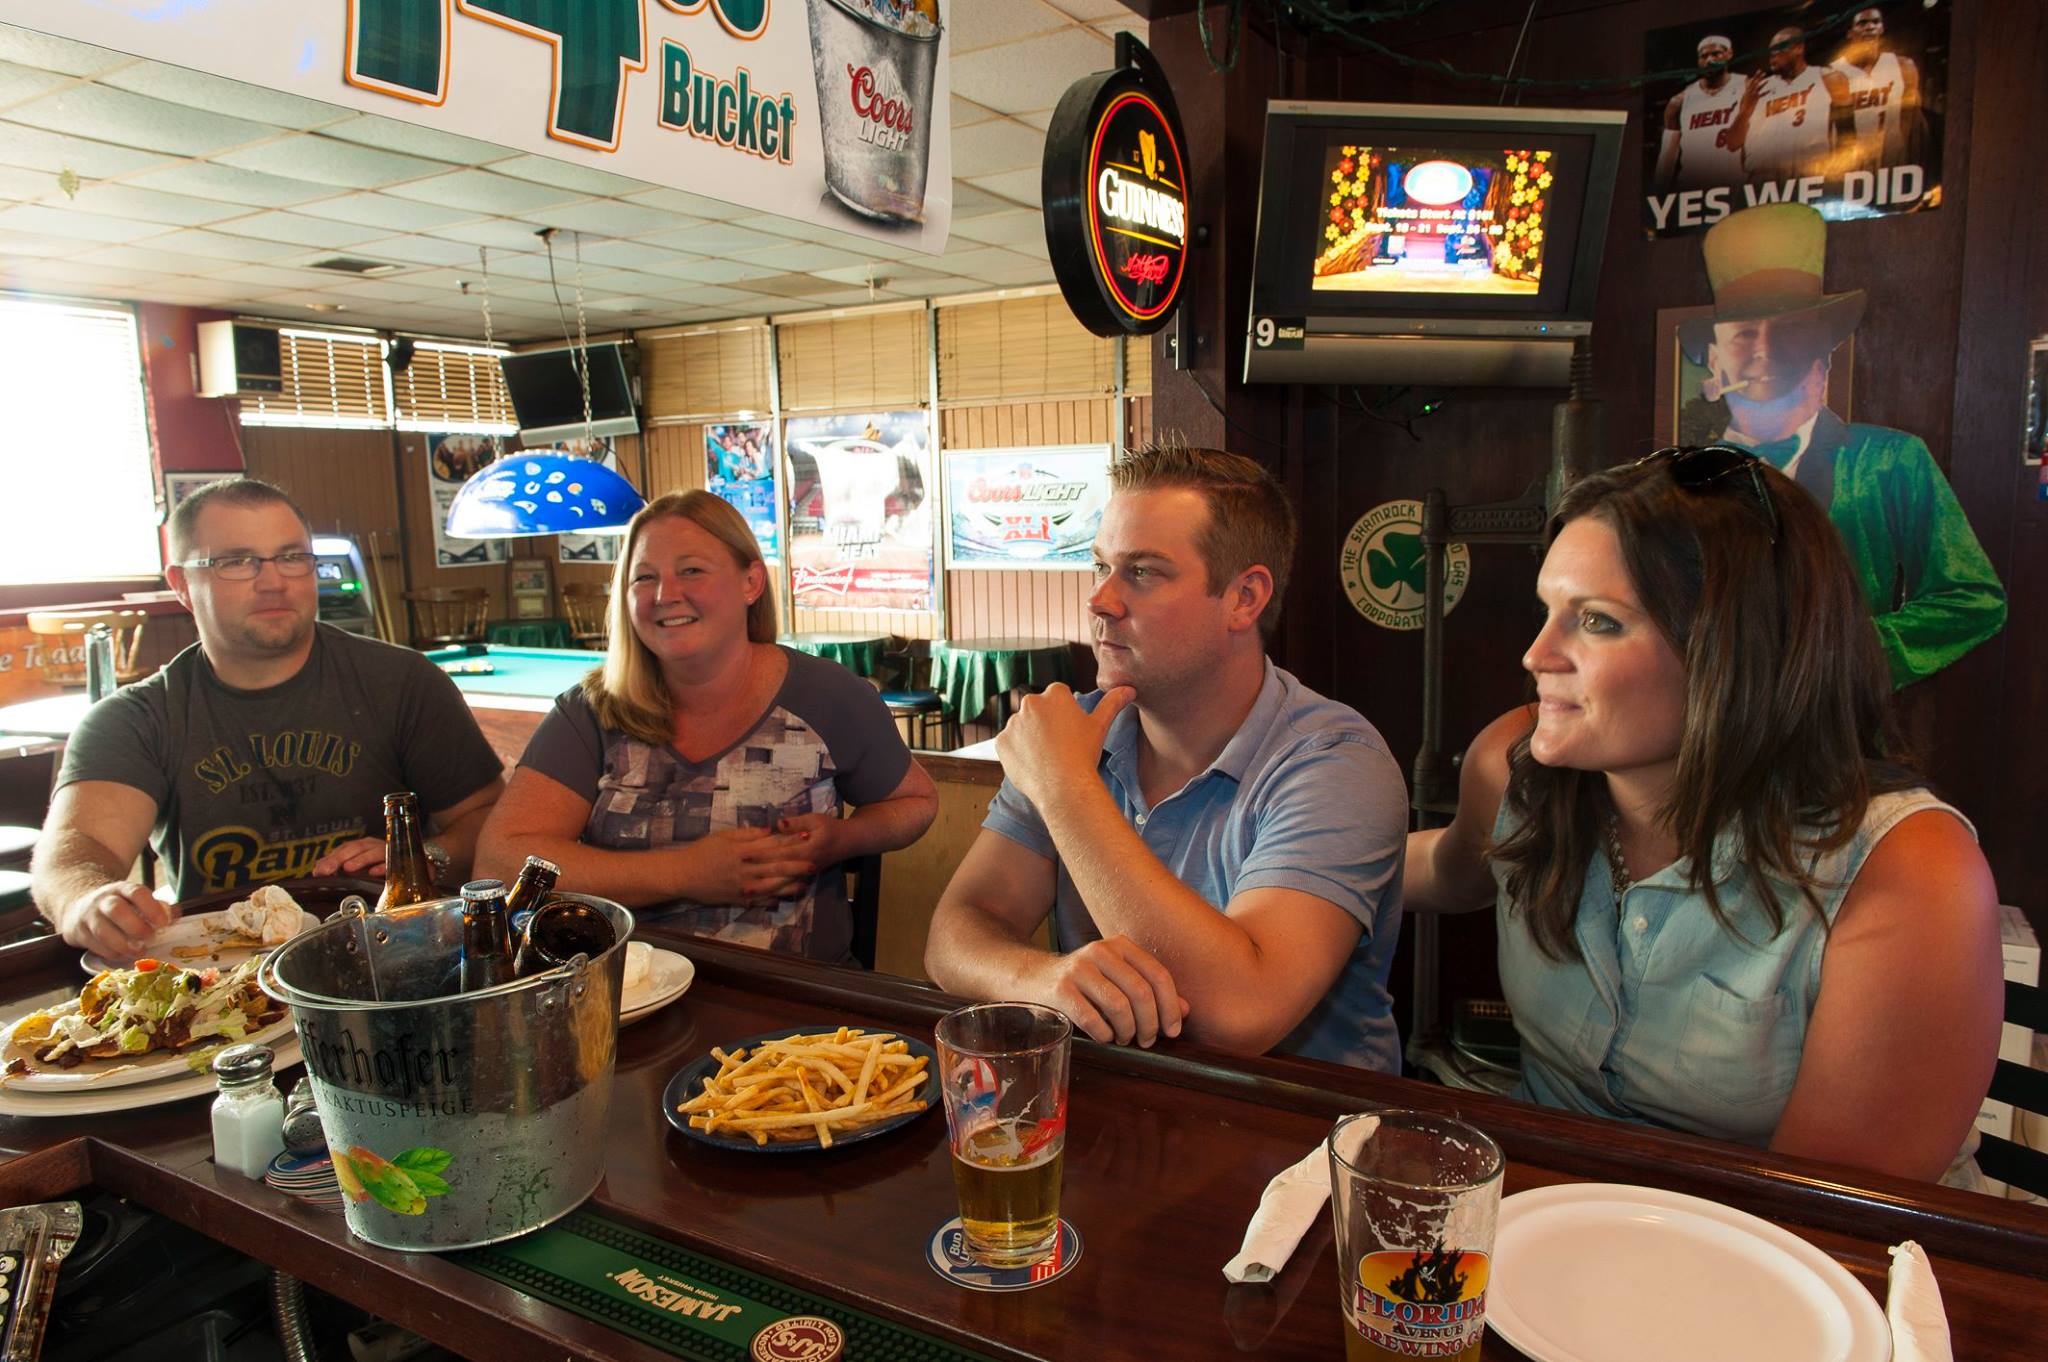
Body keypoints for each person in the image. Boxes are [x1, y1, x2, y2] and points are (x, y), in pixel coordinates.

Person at [1404, 448, 2002, 1184]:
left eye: (1597, 621)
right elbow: (1447, 869)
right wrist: (1290, 869)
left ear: (1736, 650)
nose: (1536, 654)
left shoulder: (1908, 873)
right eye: (1547, 611)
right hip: (1553, 1213)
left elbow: (1823, 1218)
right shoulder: (1515, 769)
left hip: (1781, 1240)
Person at [924, 444, 1409, 1070]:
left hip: (1306, 1120)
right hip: (1122, 1100)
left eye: (1143, 572)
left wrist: (1065, 785)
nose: (1100, 600)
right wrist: (1043, 980)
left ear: (1244, 598)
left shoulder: (1336, 763)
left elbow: (1240, 1014)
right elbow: (955, 934)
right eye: (1100, 566)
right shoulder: (1078, 732)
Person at [35, 477, 506, 958]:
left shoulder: (403, 682)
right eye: (237, 562)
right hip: (219, 973)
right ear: (181, 585)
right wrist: (86, 897)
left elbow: (488, 820)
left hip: (393, 957)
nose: (274, 581)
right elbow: (77, 847)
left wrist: (426, 857)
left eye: (292, 557)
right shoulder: (136, 720)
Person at [473, 490, 936, 962]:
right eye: (644, 577)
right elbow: (499, 862)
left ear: (751, 582)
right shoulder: (593, 711)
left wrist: (841, 840)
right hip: (629, 990)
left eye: (691, 570)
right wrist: (684, 873)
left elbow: (915, 803)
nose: (665, 595)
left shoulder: (827, 695)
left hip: (796, 994)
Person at [1679, 202, 2005, 687]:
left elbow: (1974, 598)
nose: (1764, 349)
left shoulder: (1891, 461)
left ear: (1822, 348)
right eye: (1745, 333)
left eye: (1789, 330)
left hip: (1842, 722)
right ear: (1714, 357)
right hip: (1711, 720)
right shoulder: (1682, 481)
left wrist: (1851, 655)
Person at [1729, 26, 1853, 186]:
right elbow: (1732, 144)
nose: (1773, 54)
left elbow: (1848, 133)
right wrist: (1745, 111)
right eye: (1770, 51)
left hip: (1811, 173)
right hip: (1764, 179)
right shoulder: (1756, 89)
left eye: (1779, 48)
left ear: (1798, 48)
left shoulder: (1828, 77)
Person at [1652, 34, 1750, 192]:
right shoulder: (1678, 102)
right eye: (1704, 56)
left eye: (1716, 54)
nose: (1709, 60)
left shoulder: (1746, 86)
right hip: (1693, 189)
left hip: (1735, 183)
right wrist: (1658, 194)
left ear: (1729, 54)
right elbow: (1666, 160)